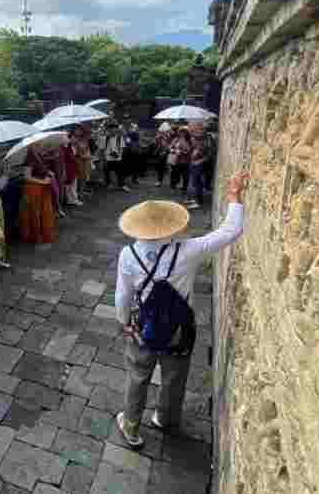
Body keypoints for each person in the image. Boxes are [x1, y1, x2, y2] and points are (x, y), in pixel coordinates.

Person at [114, 172, 248, 447]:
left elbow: (122, 295)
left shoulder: (129, 255)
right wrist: (234, 194)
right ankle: (165, 418)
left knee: (138, 377)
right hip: (179, 328)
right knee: (174, 377)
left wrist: (123, 321)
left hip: (144, 327)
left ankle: (131, 427)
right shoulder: (189, 250)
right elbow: (230, 230)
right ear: (171, 226)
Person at [19, 147, 56, 244]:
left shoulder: (39, 155)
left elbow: (42, 169)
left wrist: (48, 173)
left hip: (42, 189)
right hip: (33, 189)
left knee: (44, 212)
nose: (42, 144)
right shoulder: (29, 157)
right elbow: (26, 177)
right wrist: (42, 182)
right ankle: (35, 236)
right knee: (35, 213)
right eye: (39, 143)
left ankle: (43, 234)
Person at [188, 122, 212, 209]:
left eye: (198, 129)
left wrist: (200, 161)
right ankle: (196, 199)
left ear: (203, 129)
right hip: (193, 162)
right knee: (194, 182)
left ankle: (199, 202)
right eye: (195, 129)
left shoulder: (207, 139)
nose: (195, 131)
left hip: (199, 164)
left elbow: (209, 154)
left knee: (197, 183)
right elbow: (194, 149)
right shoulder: (197, 138)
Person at [103, 123, 129, 192]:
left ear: (117, 129)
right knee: (107, 172)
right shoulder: (106, 138)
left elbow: (122, 148)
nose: (113, 130)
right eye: (111, 129)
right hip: (108, 158)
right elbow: (103, 148)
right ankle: (109, 184)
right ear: (108, 130)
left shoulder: (119, 138)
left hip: (117, 158)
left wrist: (119, 155)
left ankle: (122, 185)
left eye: (114, 129)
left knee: (120, 173)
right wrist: (104, 157)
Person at [167, 126, 192, 197]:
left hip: (185, 161)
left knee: (185, 176)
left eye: (184, 132)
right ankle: (173, 187)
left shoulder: (189, 140)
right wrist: (174, 150)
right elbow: (170, 147)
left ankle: (184, 189)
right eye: (181, 132)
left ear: (186, 133)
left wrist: (183, 151)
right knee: (174, 174)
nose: (182, 133)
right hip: (176, 160)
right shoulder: (176, 139)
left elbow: (189, 149)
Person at [72, 127, 93, 197]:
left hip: (86, 161)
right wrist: (84, 156)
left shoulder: (84, 140)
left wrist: (88, 155)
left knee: (84, 176)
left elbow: (87, 149)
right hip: (79, 161)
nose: (79, 131)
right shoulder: (74, 140)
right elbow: (75, 153)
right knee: (79, 177)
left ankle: (82, 191)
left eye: (80, 130)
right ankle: (78, 192)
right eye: (77, 130)